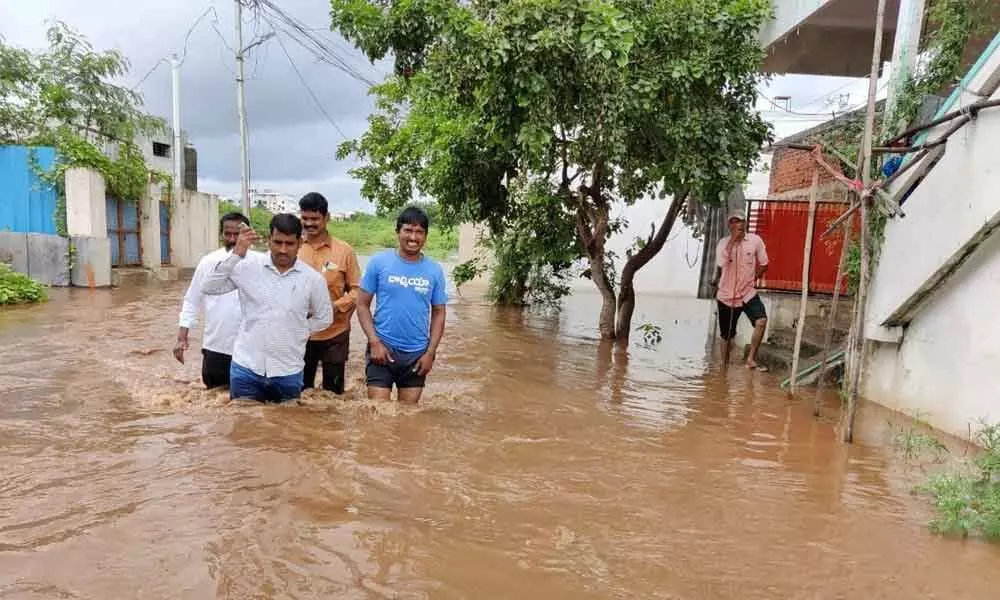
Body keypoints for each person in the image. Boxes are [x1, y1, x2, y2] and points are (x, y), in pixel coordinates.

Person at [201, 213, 333, 402]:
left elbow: (324, 317)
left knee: (286, 429)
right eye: (277, 242)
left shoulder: (312, 280)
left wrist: (299, 330)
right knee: (244, 425)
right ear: (269, 240)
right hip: (246, 369)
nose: (283, 250)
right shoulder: (247, 267)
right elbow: (209, 287)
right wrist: (237, 253)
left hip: (287, 372)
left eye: (289, 244)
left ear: (300, 244)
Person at [356, 206, 448, 403]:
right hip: (382, 349)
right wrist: (374, 342)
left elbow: (439, 312)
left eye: (419, 232)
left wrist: (430, 353)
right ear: (398, 231)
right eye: (408, 230)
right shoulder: (378, 263)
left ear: (425, 236)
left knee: (408, 418)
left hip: (416, 355)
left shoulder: (434, 270)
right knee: (378, 415)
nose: (413, 237)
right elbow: (362, 304)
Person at [173, 211, 250, 389]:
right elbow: (192, 300)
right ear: (221, 234)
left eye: (237, 234)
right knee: (215, 403)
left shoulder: (260, 263)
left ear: (246, 234)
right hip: (216, 347)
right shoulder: (208, 262)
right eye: (227, 233)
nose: (232, 239)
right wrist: (181, 337)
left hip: (250, 350)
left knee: (249, 405)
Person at [297, 192, 362, 395]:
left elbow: (357, 290)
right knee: (298, 394)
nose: (309, 223)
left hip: (335, 333)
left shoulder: (344, 251)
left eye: (314, 219)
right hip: (300, 334)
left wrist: (334, 307)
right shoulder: (292, 248)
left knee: (333, 396)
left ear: (327, 218)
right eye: (305, 218)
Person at [712, 209, 770, 371]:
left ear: (745, 223)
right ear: (729, 225)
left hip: (747, 293)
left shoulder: (755, 240)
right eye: (734, 221)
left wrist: (753, 279)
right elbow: (721, 263)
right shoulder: (723, 243)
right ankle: (723, 368)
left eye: (740, 221)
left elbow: (765, 263)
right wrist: (732, 242)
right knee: (727, 336)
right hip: (726, 296)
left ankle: (751, 359)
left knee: (761, 321)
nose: (738, 224)